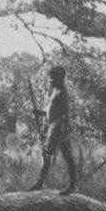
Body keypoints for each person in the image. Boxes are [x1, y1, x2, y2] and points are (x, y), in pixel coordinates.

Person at [28, 65, 77, 194]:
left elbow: (64, 114)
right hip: (54, 127)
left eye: (52, 78)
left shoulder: (62, 94)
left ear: (59, 79)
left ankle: (71, 186)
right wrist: (40, 113)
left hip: (59, 127)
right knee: (46, 154)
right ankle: (39, 183)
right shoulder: (55, 91)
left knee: (67, 156)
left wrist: (64, 132)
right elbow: (51, 112)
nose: (50, 81)